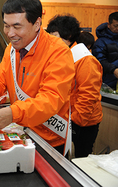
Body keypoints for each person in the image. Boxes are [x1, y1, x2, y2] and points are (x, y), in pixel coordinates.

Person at [0, 0, 75, 156]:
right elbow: (1, 77)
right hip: (21, 131)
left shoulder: (58, 51)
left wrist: (12, 113)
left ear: (37, 24)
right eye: (6, 26)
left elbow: (51, 99)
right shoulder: (11, 49)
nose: (9, 33)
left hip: (49, 139)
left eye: (17, 26)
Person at [46, 14, 103, 158]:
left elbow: (88, 95)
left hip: (83, 123)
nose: (53, 41)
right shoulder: (63, 55)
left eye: (56, 37)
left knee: (80, 161)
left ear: (69, 36)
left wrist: (75, 122)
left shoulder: (85, 60)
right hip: (69, 120)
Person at [92, 12, 118, 90]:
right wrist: (113, 69)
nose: (117, 28)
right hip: (107, 83)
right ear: (109, 25)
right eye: (115, 26)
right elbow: (99, 60)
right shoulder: (100, 42)